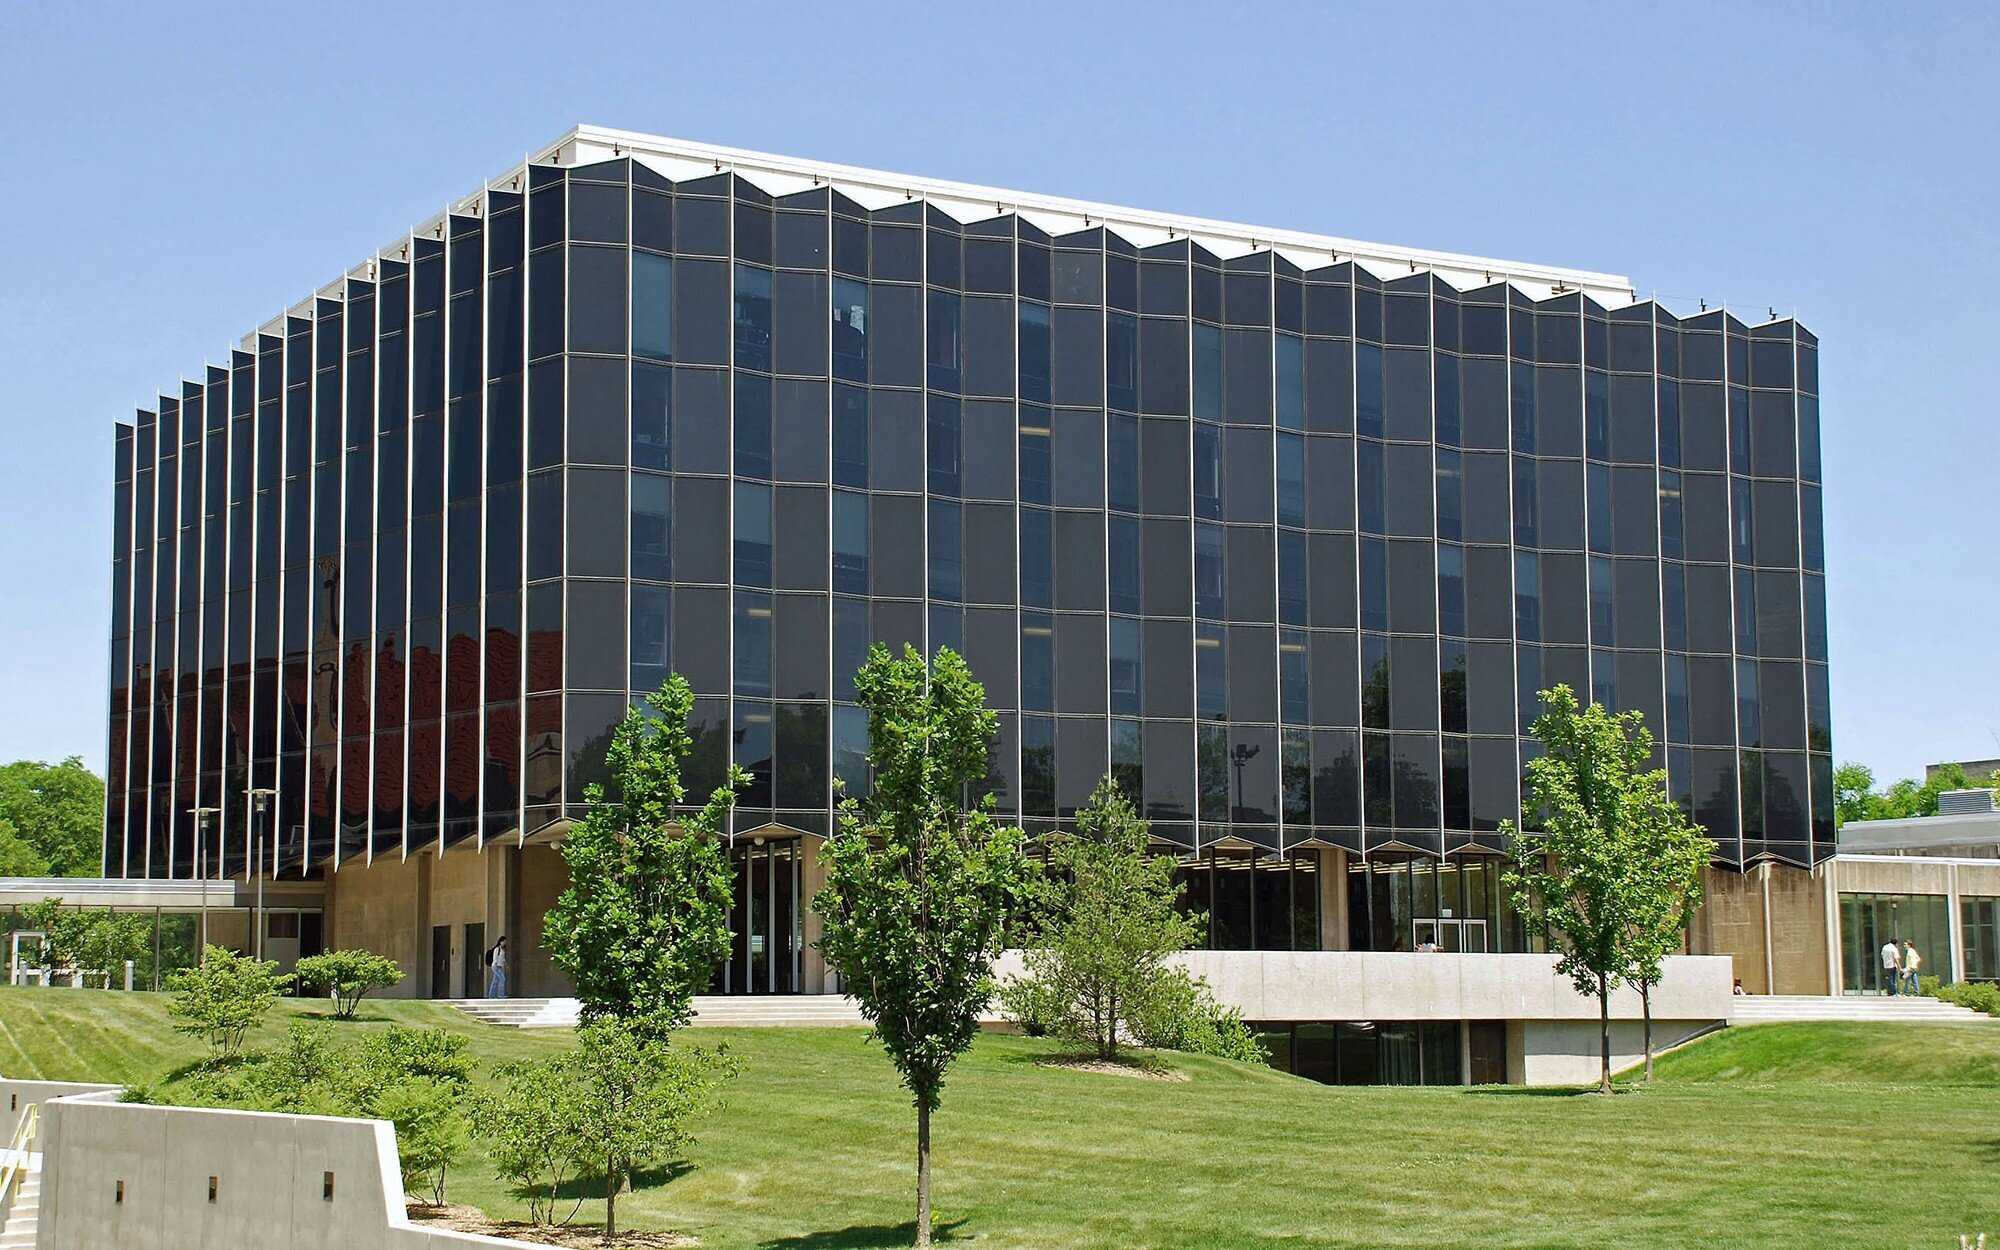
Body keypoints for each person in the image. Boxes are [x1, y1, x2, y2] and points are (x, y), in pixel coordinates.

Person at [484, 935, 508, 999]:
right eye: (504, 941)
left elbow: (502, 958)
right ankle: (500, 995)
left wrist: (505, 964)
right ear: (500, 941)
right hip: (496, 966)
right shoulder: (497, 949)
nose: (505, 943)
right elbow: (495, 957)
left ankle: (491, 995)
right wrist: (496, 965)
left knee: (495, 981)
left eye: (505, 941)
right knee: (502, 979)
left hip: (500, 966)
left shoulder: (503, 950)